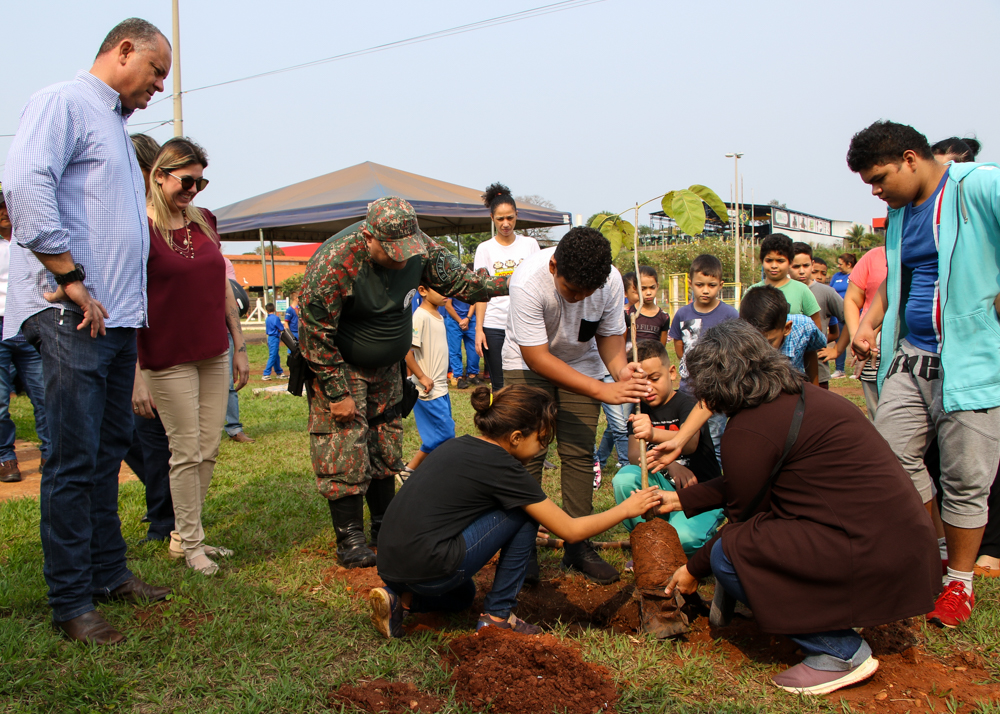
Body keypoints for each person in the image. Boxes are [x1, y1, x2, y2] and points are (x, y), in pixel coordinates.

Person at [2, 17, 174, 644]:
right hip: (71, 311)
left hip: (117, 318)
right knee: (73, 460)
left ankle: (108, 575)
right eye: (155, 71)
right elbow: (25, 184)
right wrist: (70, 275)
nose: (158, 86)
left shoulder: (117, 128)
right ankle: (71, 601)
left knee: (106, 457)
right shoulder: (63, 103)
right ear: (123, 51)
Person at [652, 320, 938, 695]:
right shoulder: (802, 397)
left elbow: (740, 518)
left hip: (867, 550)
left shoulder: (749, 430)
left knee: (730, 552)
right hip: (900, 544)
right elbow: (748, 479)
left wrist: (692, 568)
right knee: (744, 542)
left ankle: (839, 652)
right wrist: (684, 498)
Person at [299, 196, 509, 569]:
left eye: (406, 251)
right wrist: (336, 392)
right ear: (369, 236)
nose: (401, 259)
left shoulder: (419, 247)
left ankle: (384, 524)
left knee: (384, 444)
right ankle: (350, 538)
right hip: (342, 365)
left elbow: (462, 282)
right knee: (344, 446)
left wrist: (514, 281)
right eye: (391, 251)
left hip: (388, 368)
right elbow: (315, 334)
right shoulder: (333, 263)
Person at [848, 119, 1000, 626]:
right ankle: (938, 548)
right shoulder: (902, 213)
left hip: (971, 362)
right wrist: (870, 324)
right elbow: (899, 279)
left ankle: (960, 583)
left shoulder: (977, 185)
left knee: (964, 477)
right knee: (891, 458)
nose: (876, 190)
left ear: (911, 159)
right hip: (910, 358)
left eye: (880, 177)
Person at [369, 384, 661, 638]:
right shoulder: (504, 466)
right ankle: (499, 616)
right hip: (431, 566)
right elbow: (571, 531)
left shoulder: (457, 446)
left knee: (463, 597)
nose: (540, 449)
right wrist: (626, 509)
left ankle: (401, 600)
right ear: (517, 437)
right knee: (525, 513)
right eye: (541, 440)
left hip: (391, 565)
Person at [503, 226, 650, 584]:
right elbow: (538, 358)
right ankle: (521, 548)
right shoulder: (527, 282)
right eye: (572, 290)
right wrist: (602, 392)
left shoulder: (610, 281)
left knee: (579, 452)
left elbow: (609, 338)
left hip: (583, 364)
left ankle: (578, 545)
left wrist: (620, 373)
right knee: (527, 453)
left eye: (589, 292)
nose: (580, 298)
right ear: (554, 267)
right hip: (527, 364)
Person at [134, 137, 250, 576]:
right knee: (185, 450)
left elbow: (221, 283)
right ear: (159, 175)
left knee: (209, 446)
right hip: (166, 355)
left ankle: (187, 536)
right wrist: (135, 373)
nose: (194, 190)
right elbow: (127, 298)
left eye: (201, 182)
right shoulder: (138, 225)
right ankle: (189, 542)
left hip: (213, 349)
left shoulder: (204, 220)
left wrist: (239, 345)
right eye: (186, 181)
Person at [928, 136, 1000, 580]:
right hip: (942, 361)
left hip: (983, 359)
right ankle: (944, 543)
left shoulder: (981, 197)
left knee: (983, 463)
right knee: (944, 457)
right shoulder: (931, 222)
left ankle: (987, 549)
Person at [612, 340, 723, 553]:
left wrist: (653, 433)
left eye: (654, 379)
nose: (648, 388)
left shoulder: (687, 403)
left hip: (700, 493)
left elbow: (689, 443)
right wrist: (670, 466)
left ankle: (700, 539)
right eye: (641, 383)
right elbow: (635, 454)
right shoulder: (638, 408)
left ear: (672, 372)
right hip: (663, 487)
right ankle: (648, 540)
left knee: (683, 539)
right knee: (624, 478)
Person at [121, 133, 175, 541]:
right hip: (128, 338)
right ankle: (163, 508)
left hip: (159, 343)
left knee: (156, 437)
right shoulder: (124, 214)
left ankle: (165, 520)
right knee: (133, 434)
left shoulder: (160, 219)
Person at [0, 184, 50, 483]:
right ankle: (6, 458)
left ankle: (50, 453)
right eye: (0, 209)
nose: (5, 214)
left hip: (29, 323)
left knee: (45, 395)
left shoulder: (28, 239)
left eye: (8, 207)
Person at [668, 254, 738, 460]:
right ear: (690, 283)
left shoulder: (730, 315)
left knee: (715, 440)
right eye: (700, 284)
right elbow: (679, 344)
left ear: (721, 285)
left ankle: (711, 480)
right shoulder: (682, 314)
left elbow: (735, 350)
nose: (705, 290)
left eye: (711, 285)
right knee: (686, 436)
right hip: (688, 390)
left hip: (717, 391)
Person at [473, 184, 540, 391]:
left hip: (526, 323)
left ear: (516, 215)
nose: (505, 223)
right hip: (495, 325)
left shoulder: (530, 245)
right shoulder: (484, 249)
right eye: (500, 218)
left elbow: (539, 285)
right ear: (492, 217)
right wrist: (479, 329)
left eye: (509, 218)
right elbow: (481, 291)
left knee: (528, 381)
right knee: (500, 384)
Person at [400, 284, 455, 481]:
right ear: (423, 291)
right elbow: (406, 351)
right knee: (446, 435)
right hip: (428, 389)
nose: (446, 293)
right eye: (440, 289)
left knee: (439, 436)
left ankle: (410, 471)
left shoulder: (440, 316)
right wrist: (422, 377)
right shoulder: (420, 316)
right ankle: (437, 476)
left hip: (441, 387)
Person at [594, 270, 638, 477]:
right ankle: (625, 464)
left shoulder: (622, 316)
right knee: (620, 426)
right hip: (601, 375)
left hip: (618, 373)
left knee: (617, 425)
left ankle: (600, 460)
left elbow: (617, 344)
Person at [789, 243, 849, 389]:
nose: (801, 271)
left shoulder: (826, 292)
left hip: (818, 372)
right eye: (796, 267)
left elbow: (850, 319)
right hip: (787, 372)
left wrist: (837, 350)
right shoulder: (780, 291)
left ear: (812, 264)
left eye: (806, 265)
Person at [740, 286, 825, 385]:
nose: (762, 349)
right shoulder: (736, 338)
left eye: (770, 342)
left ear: (787, 328)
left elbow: (810, 350)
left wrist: (814, 389)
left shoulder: (804, 327)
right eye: (755, 341)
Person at [842, 246, 886, 419]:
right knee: (877, 411)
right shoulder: (873, 256)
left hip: (912, 340)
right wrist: (856, 337)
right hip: (873, 345)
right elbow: (852, 299)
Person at [750, 233, 822, 330]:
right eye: (769, 260)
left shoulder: (802, 290)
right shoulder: (752, 291)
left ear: (790, 262)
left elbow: (817, 328)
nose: (774, 266)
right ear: (762, 260)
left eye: (780, 261)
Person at [443, 294, 481, 389]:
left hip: (470, 318)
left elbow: (474, 302)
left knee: (474, 347)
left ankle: (472, 375)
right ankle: (458, 377)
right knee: (454, 349)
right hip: (453, 319)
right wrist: (460, 321)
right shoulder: (452, 284)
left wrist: (467, 318)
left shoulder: (471, 282)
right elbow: (448, 305)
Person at [827, 253, 856, 378]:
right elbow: (830, 290)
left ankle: (858, 370)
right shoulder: (836, 276)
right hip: (839, 313)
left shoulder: (856, 274)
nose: (838, 266)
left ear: (849, 264)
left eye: (840, 263)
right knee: (839, 341)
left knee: (857, 341)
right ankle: (839, 370)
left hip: (855, 314)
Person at [629, 265, 669, 344]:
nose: (648, 293)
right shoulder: (628, 313)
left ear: (657, 286)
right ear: (635, 288)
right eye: (643, 289)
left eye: (652, 287)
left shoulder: (664, 317)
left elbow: (662, 349)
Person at [262, 303, 285, 380]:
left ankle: (279, 372)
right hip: (275, 337)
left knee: (275, 355)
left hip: (269, 338)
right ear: (274, 309)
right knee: (273, 355)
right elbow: (281, 328)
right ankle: (266, 373)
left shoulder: (267, 319)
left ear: (266, 310)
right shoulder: (276, 318)